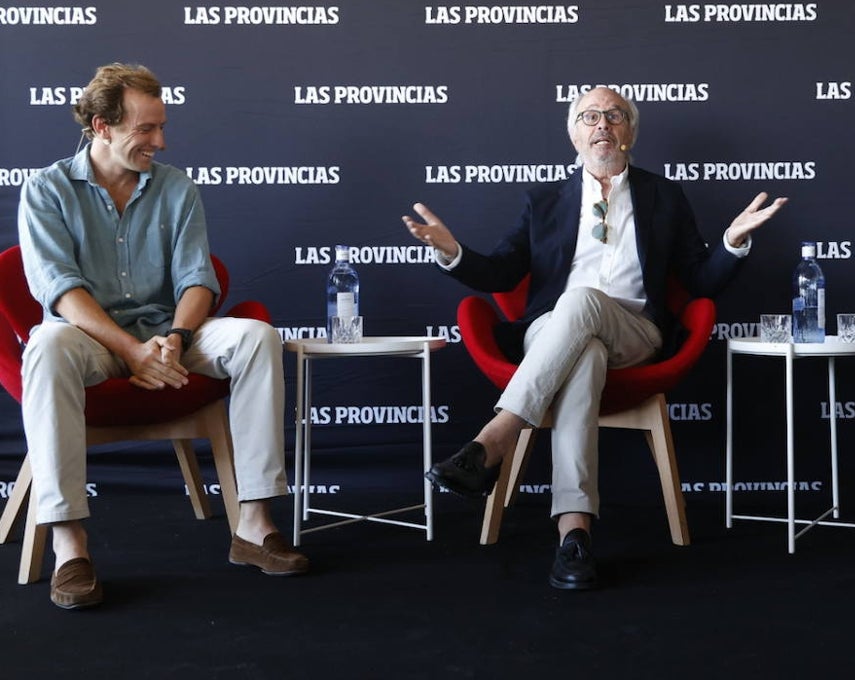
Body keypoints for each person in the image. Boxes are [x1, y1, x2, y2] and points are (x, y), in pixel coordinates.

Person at [403, 86, 786, 590]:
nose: (602, 123)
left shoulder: (663, 196)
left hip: (636, 330)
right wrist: (454, 252)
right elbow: (501, 272)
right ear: (574, 135)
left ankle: (495, 438)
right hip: (552, 331)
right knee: (583, 351)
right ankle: (574, 537)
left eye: (614, 115)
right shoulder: (543, 201)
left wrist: (733, 244)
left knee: (585, 303)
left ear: (630, 133)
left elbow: (698, 282)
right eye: (589, 116)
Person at [18, 63, 308, 610]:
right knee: (46, 343)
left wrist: (174, 338)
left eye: (161, 127)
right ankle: (69, 546)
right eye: (145, 129)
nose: (161, 141)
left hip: (167, 334)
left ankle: (254, 524)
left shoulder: (176, 187)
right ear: (102, 126)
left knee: (255, 337)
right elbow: (61, 293)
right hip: (92, 341)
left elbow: (198, 278)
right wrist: (130, 352)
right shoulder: (47, 189)